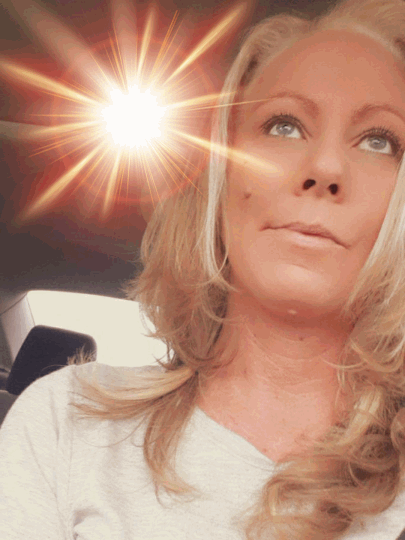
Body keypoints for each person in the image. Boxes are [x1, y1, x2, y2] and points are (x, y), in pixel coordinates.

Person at [3, 0, 405, 538]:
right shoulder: (65, 421)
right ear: (219, 178)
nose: (326, 168)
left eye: (380, 141)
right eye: (284, 126)